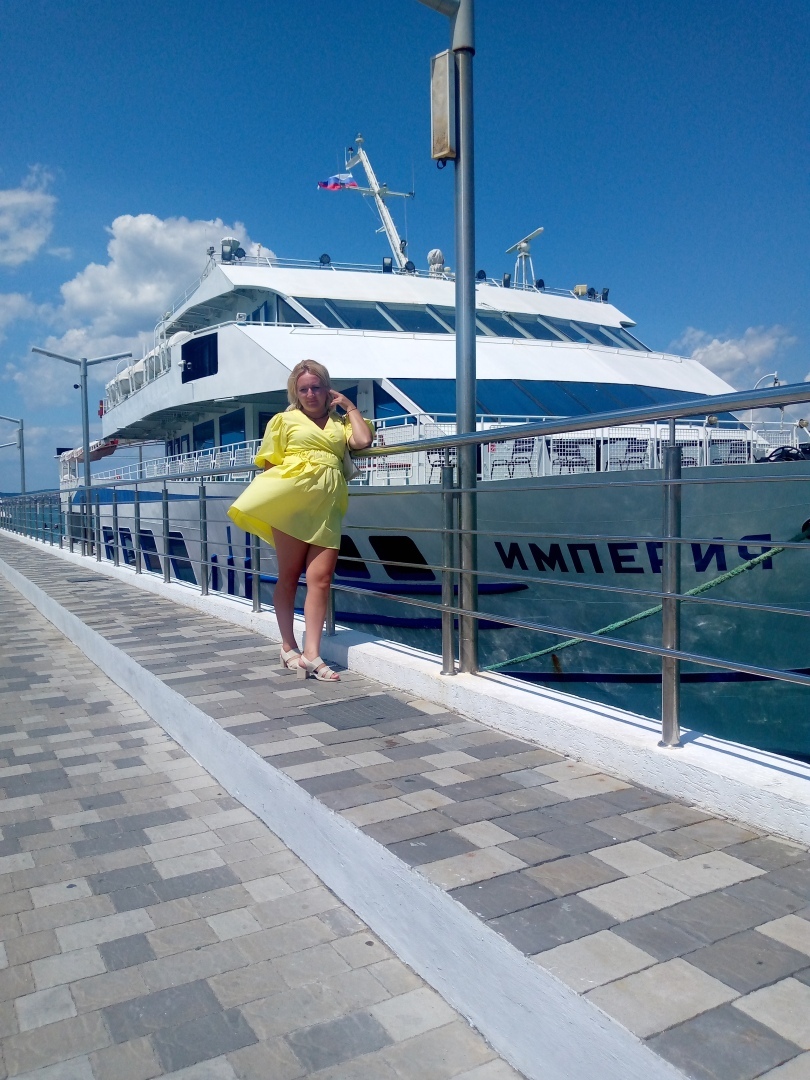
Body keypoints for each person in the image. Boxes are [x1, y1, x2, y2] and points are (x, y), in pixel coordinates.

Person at [227, 360, 373, 681]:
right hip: (292, 505)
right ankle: (288, 646)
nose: (310, 394)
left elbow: (363, 441)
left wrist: (349, 406)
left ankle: (311, 654)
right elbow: (270, 466)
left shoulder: (340, 423)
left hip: (328, 506)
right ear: (295, 391)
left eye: (316, 387)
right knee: (290, 576)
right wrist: (279, 503)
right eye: (303, 388)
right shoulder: (284, 420)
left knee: (321, 579)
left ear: (327, 389)